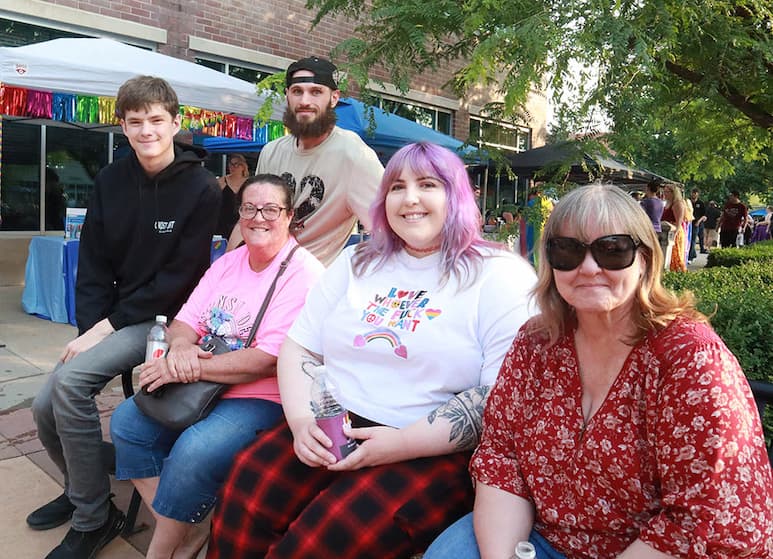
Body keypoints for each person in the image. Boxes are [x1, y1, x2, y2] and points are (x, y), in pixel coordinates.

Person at [206, 142, 538, 559]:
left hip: (428, 448)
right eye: (397, 186)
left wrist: (396, 444)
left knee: (319, 543)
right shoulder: (357, 261)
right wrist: (301, 420)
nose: (410, 197)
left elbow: (498, 397)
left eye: (428, 184)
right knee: (245, 492)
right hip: (334, 424)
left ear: (456, 195)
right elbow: (299, 347)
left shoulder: (500, 275)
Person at [425, 183, 773, 559]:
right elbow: (502, 459)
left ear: (645, 260)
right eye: (568, 250)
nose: (588, 268)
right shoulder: (536, 342)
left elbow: (707, 513)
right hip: (543, 535)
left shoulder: (688, 358)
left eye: (612, 250)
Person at [28, 76, 222, 559]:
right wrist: (88, 330)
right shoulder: (111, 179)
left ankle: (94, 519)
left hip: (166, 320)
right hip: (112, 318)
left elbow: (179, 280)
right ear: (123, 126)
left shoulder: (201, 187)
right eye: (135, 122)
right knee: (44, 404)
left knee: (70, 387)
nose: (146, 131)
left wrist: (104, 330)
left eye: (156, 120)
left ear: (175, 123)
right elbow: (92, 263)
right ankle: (83, 490)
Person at [110, 174, 324, 559]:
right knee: (127, 422)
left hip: (264, 395)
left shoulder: (304, 274)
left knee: (195, 451)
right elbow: (183, 324)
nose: (259, 217)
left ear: (290, 216)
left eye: (271, 209)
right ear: (239, 214)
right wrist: (179, 352)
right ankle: (191, 529)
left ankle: (159, 552)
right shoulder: (228, 262)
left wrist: (188, 368)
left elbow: (267, 359)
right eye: (249, 208)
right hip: (203, 382)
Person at [226, 56, 384, 266]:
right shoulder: (272, 151)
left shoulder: (354, 155)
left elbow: (387, 232)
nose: (305, 101)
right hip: (260, 275)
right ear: (287, 96)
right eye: (297, 91)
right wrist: (226, 271)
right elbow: (247, 220)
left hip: (311, 287)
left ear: (334, 98)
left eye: (316, 92)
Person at [214, 153, 250, 238]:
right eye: (231, 164)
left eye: (236, 164)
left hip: (243, 220)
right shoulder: (222, 181)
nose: (233, 167)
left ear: (243, 166)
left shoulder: (250, 182)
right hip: (223, 222)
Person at [661, 183, 687, 271]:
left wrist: (674, 236)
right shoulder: (668, 203)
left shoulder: (677, 204)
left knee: (676, 257)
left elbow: (678, 223)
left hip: (674, 232)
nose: (664, 194)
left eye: (667, 192)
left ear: (673, 193)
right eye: (664, 191)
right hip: (666, 231)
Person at [639, 180, 666, 256]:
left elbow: (640, 215)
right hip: (658, 228)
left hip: (648, 229)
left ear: (648, 188)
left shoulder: (646, 202)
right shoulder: (660, 202)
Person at [689, 188, 707, 255]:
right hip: (690, 222)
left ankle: (701, 248)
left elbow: (704, 215)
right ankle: (692, 253)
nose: (693, 194)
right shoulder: (689, 202)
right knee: (692, 239)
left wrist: (699, 221)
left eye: (695, 193)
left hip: (698, 222)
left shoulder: (700, 203)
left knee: (700, 237)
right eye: (693, 193)